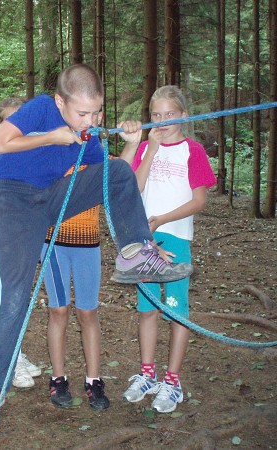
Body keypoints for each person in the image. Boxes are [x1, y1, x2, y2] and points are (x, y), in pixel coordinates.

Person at [0, 64, 193, 426]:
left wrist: (134, 145)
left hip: (50, 197)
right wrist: (52, 137)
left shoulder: (85, 138)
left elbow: (119, 182)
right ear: (61, 102)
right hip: (10, 197)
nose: (89, 120)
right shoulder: (42, 108)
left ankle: (135, 253)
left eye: (95, 113)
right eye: (82, 113)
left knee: (117, 171)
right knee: (13, 293)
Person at [122, 85, 216, 413]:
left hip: (174, 239)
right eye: (156, 115)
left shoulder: (193, 150)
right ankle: (148, 373)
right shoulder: (148, 147)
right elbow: (135, 187)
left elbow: (199, 200)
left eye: (169, 115)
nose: (162, 122)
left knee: (176, 308)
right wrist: (150, 150)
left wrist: (161, 219)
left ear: (183, 116)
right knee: (147, 308)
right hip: (145, 242)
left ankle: (172, 380)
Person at [42, 130, 139, 412]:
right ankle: (58, 377)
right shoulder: (55, 155)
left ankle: (94, 379)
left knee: (88, 311)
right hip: (54, 246)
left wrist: (133, 143)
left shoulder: (99, 159)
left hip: (88, 246)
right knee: (58, 310)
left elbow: (121, 173)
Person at [0, 99, 43, 389]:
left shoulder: (36, 159)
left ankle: (17, 355)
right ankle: (7, 363)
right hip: (3, 244)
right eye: (9, 122)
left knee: (19, 301)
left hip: (27, 240)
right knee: (6, 301)